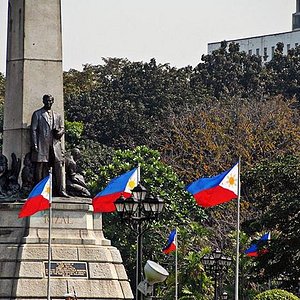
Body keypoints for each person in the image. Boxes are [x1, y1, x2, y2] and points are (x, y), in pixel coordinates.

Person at [30, 94, 69, 197]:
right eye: (47, 101)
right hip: (42, 144)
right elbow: (33, 130)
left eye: (50, 101)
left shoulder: (57, 115)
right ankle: (38, 190)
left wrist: (59, 132)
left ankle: (61, 190)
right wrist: (34, 144)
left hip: (55, 145)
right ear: (43, 101)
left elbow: (62, 128)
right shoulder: (37, 114)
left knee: (58, 166)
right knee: (40, 166)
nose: (49, 103)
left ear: (53, 101)